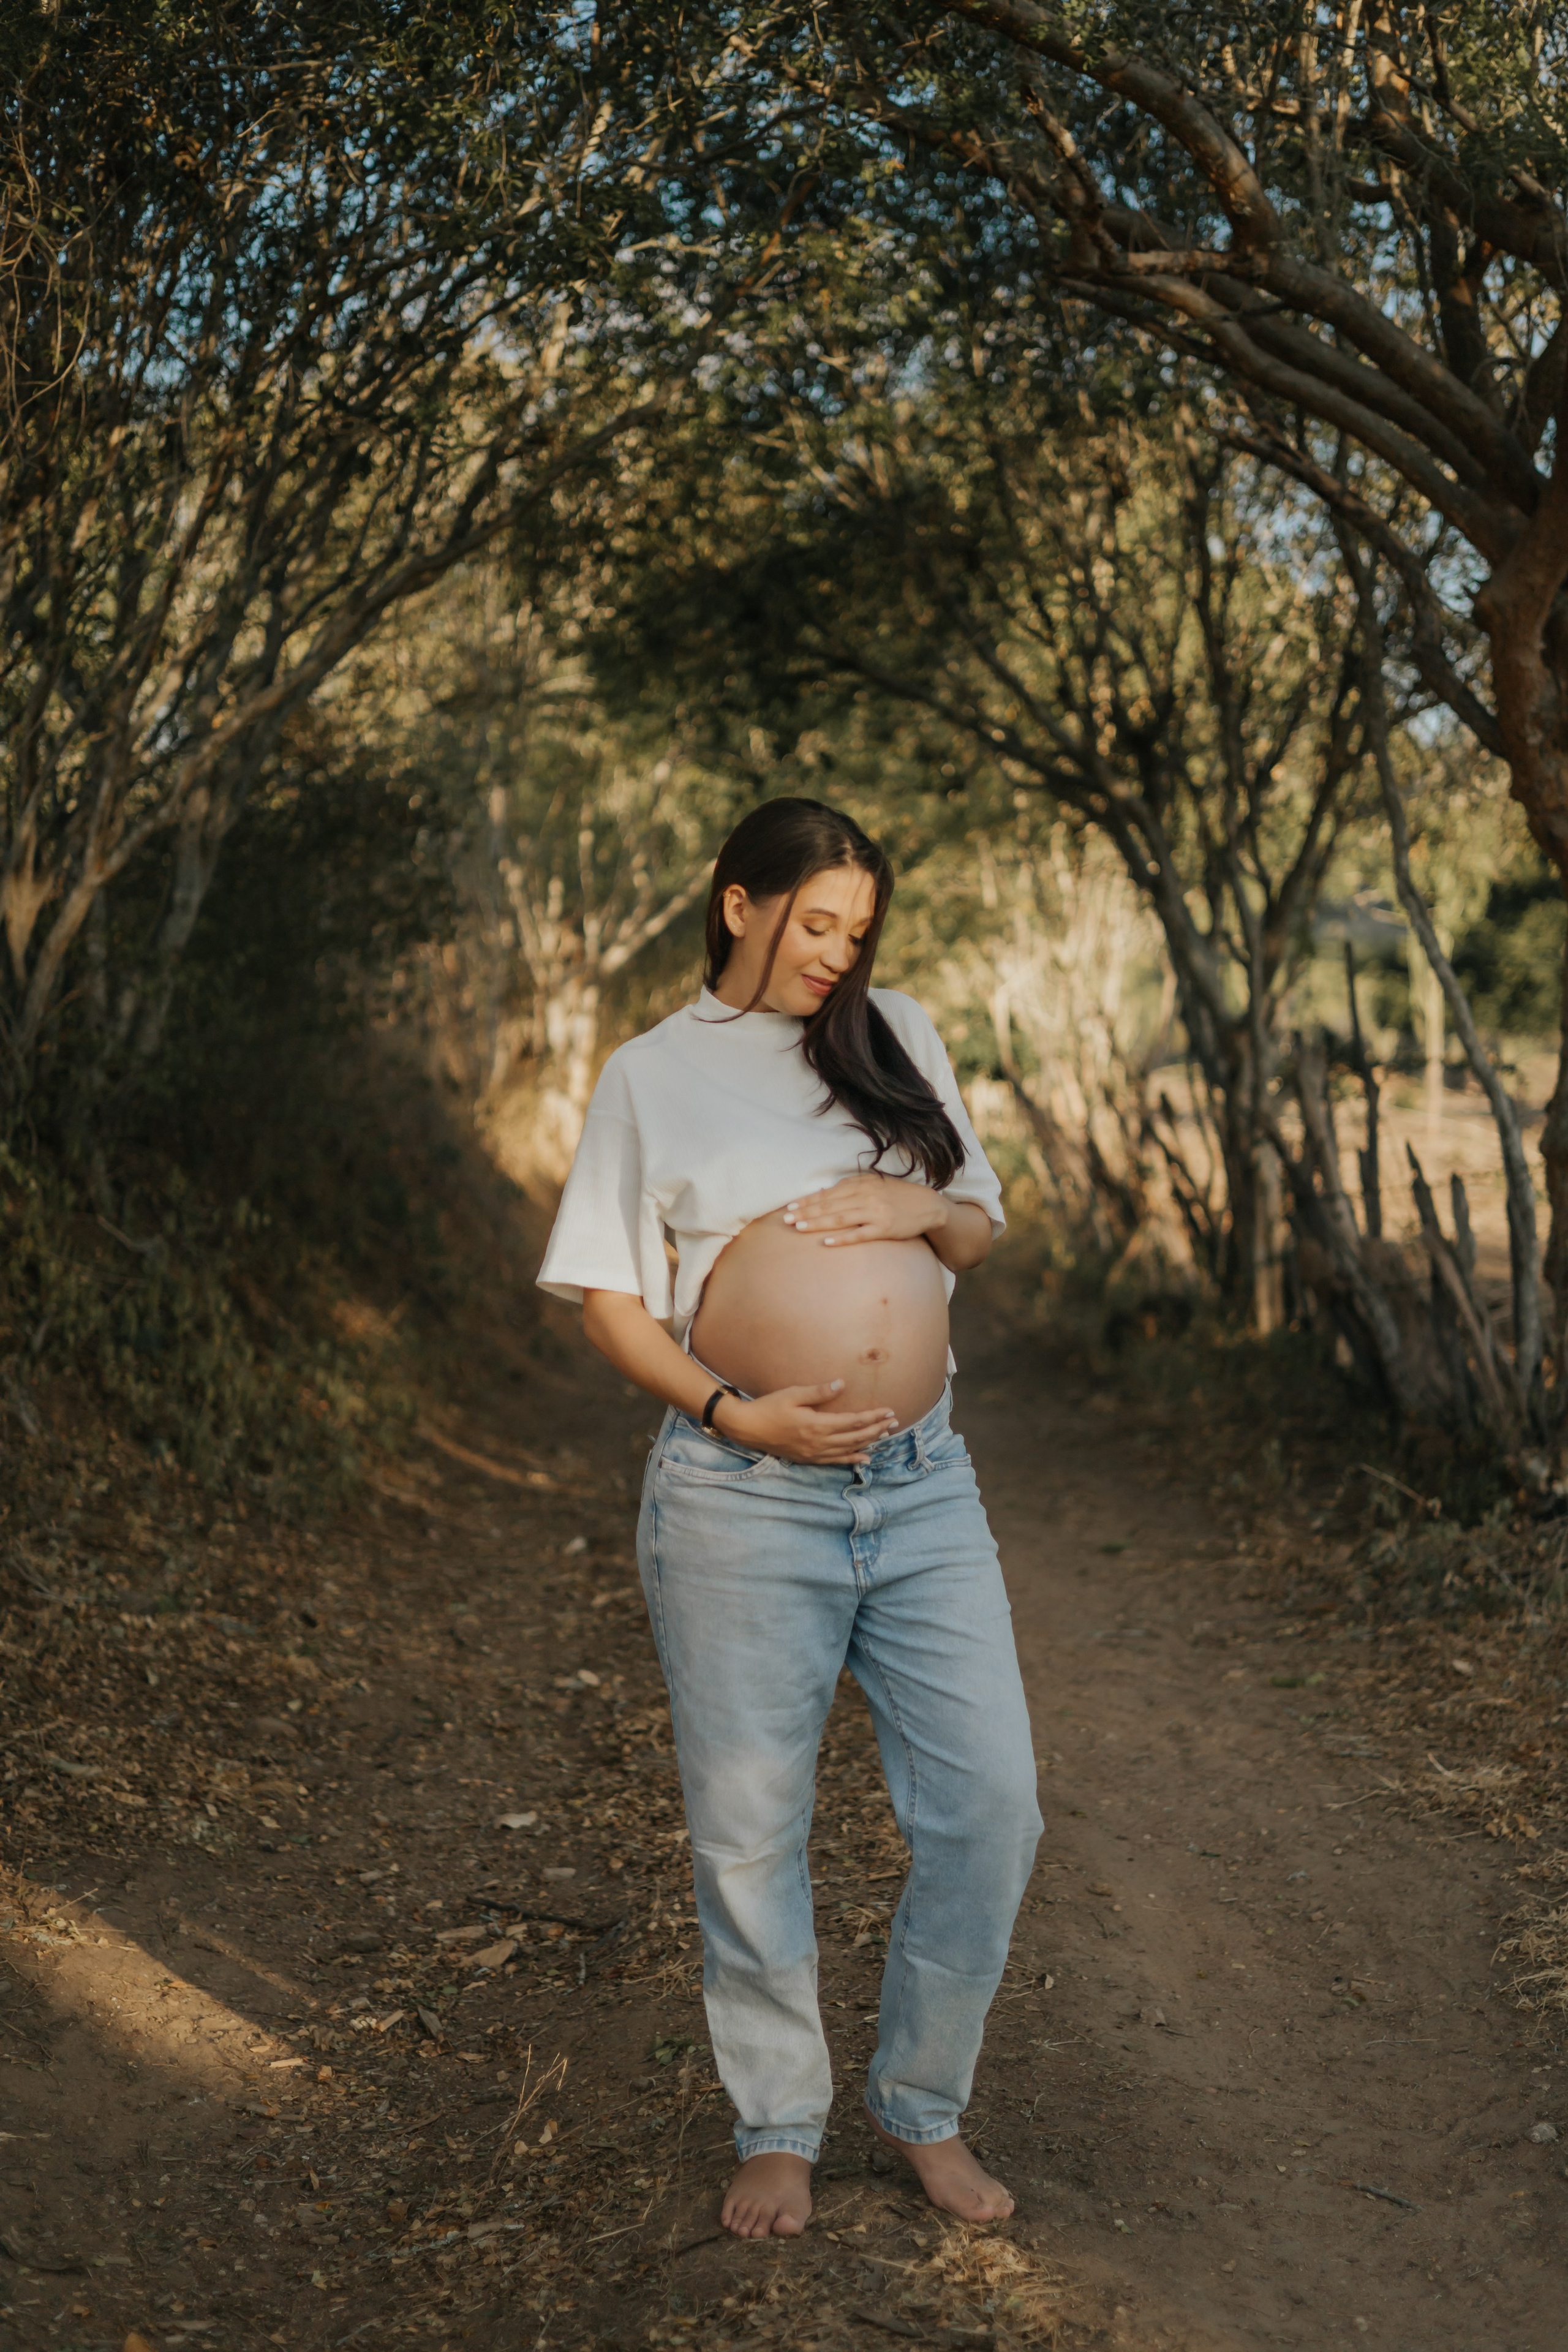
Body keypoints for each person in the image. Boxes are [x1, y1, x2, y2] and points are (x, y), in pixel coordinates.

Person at [538, 798, 1041, 2239]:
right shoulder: (651, 1076)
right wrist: (728, 1410)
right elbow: (612, 1304)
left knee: (991, 1804)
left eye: (858, 931)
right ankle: (776, 2121)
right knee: (750, 1832)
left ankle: (920, 2104)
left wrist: (915, 1219)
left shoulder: (900, 1038)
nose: (838, 953)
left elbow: (979, 1225)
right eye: (816, 922)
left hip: (923, 1484)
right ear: (738, 902)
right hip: (745, 1498)